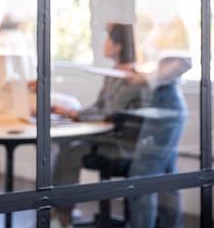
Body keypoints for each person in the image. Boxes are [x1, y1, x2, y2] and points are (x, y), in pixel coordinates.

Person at [49, 23, 152, 228]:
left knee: (68, 155)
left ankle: (61, 212)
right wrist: (71, 114)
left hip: (122, 147)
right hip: (107, 137)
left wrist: (74, 114)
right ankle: (59, 209)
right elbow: (98, 107)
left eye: (107, 40)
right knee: (66, 148)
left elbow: (110, 112)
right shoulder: (112, 73)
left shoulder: (130, 77)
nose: (104, 44)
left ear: (118, 46)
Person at [124, 16, 191, 228]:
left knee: (141, 175)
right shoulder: (160, 27)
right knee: (167, 174)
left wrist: (146, 78)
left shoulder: (173, 23)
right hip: (164, 102)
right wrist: (143, 73)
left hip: (167, 104)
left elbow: (184, 62)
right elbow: (163, 65)